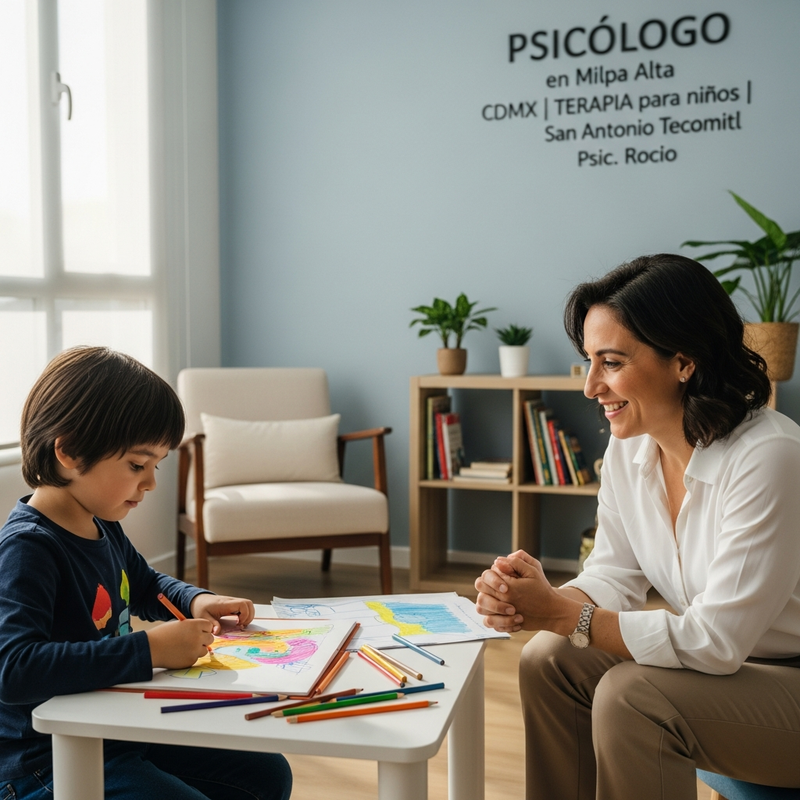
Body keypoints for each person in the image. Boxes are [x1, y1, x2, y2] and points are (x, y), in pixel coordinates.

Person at [475, 254, 800, 799]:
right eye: (589, 361)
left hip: (784, 678)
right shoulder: (632, 447)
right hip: (730, 670)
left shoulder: (770, 457)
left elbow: (716, 641)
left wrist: (561, 613)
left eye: (612, 362)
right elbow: (613, 572)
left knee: (633, 696)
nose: (590, 386)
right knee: (548, 658)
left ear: (683, 361)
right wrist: (536, 598)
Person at [0, 347, 293, 800]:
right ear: (70, 452)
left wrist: (197, 600)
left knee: (267, 774)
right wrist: (148, 649)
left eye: (156, 465)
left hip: (112, 725)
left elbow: (147, 585)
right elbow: (14, 669)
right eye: (138, 465)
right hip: (46, 762)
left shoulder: (103, 525)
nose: (151, 482)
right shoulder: (27, 549)